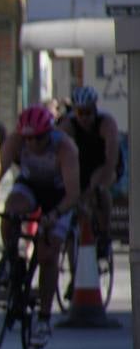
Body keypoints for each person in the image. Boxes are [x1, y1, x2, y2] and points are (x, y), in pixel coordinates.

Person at [0, 104, 80, 348]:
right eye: (27, 139)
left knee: (48, 252)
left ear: (48, 133)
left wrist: (54, 215)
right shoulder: (16, 140)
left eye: (38, 138)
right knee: (11, 211)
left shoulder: (65, 147)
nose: (32, 144)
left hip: (58, 195)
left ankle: (44, 317)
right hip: (30, 186)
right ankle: (13, 260)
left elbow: (72, 194)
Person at [59, 85, 121, 255]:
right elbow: (59, 157)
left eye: (89, 113)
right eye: (80, 113)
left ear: (95, 109)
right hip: (80, 164)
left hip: (104, 163)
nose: (85, 118)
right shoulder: (68, 124)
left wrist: (93, 191)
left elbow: (111, 162)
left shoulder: (106, 123)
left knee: (99, 187)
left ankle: (104, 234)